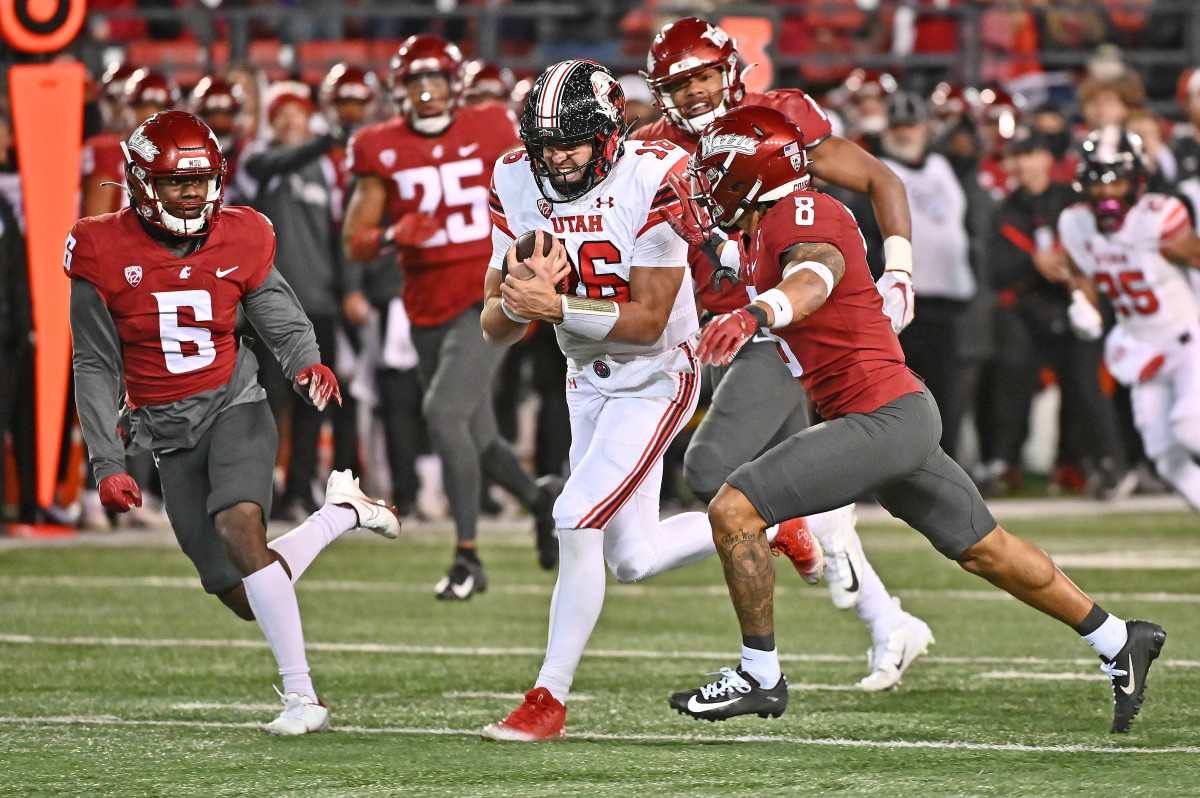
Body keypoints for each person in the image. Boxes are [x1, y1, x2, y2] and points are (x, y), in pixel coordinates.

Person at [670, 106, 1165, 735]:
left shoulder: (805, 214)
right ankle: (1119, 637)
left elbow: (814, 274)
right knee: (988, 550)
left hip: (879, 418)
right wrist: (710, 243)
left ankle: (759, 676)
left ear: (749, 172)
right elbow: (766, 265)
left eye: (717, 171)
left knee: (732, 510)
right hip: (898, 416)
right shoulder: (773, 225)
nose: (708, 184)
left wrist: (758, 315)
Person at [477, 59, 823, 742]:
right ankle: (774, 526)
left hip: (659, 371)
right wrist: (521, 302)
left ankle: (548, 698)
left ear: (609, 133)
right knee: (629, 559)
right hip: (585, 379)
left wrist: (556, 304)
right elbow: (492, 325)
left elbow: (645, 318)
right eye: (546, 144)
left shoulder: (651, 174)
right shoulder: (514, 177)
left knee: (575, 516)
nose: (557, 157)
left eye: (572, 141)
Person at [66, 111, 401, 734]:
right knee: (239, 588)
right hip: (165, 430)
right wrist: (107, 464)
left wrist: (306, 363)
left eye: (200, 181)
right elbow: (93, 364)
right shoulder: (99, 248)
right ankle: (342, 514)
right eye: (175, 183)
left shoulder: (241, 234)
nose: (192, 194)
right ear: (141, 183)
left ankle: (303, 698)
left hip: (233, 402)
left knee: (241, 526)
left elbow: (275, 306)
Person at [633, 15, 932, 690]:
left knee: (713, 471)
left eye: (704, 76)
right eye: (678, 85)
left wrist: (901, 270)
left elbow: (882, 179)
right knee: (813, 502)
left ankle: (793, 537)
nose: (693, 94)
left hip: (787, 315)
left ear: (730, 71)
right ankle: (892, 623)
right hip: (724, 321)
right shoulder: (649, 147)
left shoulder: (778, 120)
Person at [342, 34, 559, 596]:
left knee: (442, 412)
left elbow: (544, 184)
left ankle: (468, 556)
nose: (427, 91)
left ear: (455, 84)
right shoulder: (378, 145)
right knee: (478, 434)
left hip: (488, 293)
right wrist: (392, 233)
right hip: (425, 302)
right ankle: (542, 500)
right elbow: (355, 242)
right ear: (400, 89)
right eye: (416, 81)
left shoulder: (492, 126)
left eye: (436, 79)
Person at [1039, 126, 1200, 512]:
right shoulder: (1075, 223)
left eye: (1117, 183)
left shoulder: (1158, 218)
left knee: (1189, 429)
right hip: (1142, 349)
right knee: (1166, 457)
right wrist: (1082, 301)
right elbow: (1082, 271)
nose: (1108, 194)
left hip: (1185, 340)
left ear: (1137, 181)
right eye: (1098, 183)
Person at [241, 80, 358, 521]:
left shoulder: (328, 169)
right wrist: (325, 141)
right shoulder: (257, 158)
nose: (291, 120)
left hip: (319, 302)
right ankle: (260, 487)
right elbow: (270, 164)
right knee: (269, 401)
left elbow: (337, 233)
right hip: (269, 303)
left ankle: (299, 489)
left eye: (298, 112)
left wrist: (346, 289)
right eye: (282, 113)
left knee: (314, 401)